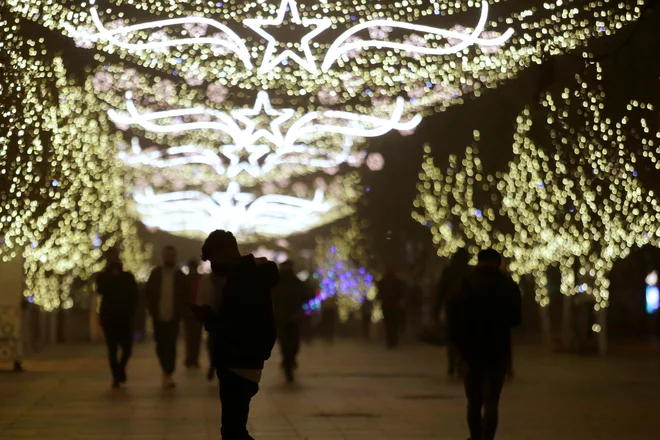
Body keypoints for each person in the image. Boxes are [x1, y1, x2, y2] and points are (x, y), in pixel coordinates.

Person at [191, 230, 279, 440]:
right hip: (243, 357)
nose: (213, 266)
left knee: (233, 430)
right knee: (234, 429)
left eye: (214, 259)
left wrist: (210, 318)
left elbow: (238, 321)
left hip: (239, 358)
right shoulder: (246, 275)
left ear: (227, 252)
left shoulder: (244, 279)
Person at [448, 248, 521, 440]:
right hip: (497, 349)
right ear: (498, 262)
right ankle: (488, 437)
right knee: (491, 401)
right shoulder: (507, 284)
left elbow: (452, 316)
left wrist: (457, 343)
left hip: (470, 349)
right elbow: (516, 318)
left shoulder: (465, 283)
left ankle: (475, 436)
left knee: (473, 400)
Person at [95, 247, 139, 388]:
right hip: (109, 317)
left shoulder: (127, 276)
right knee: (112, 348)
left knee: (127, 348)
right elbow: (100, 290)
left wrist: (131, 311)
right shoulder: (102, 276)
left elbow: (134, 295)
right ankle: (116, 375)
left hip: (124, 317)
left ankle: (120, 369)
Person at [146, 245, 187, 388]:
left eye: (171, 255)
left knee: (171, 345)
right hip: (158, 316)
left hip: (173, 317)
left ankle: (168, 372)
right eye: (167, 255)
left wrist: (181, 312)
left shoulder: (180, 276)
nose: (169, 257)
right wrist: (152, 310)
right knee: (160, 346)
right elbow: (149, 293)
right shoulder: (156, 274)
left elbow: (185, 296)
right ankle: (166, 370)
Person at [436, 248, 471, 376]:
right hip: (467, 311)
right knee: (465, 339)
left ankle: (452, 363)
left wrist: (437, 310)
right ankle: (462, 362)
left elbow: (440, 291)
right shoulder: (470, 271)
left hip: (452, 309)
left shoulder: (448, 271)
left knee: (452, 338)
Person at [272, 260, 308, 382]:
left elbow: (305, 297)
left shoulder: (297, 283)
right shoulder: (276, 283)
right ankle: (287, 361)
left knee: (293, 343)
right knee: (285, 342)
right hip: (281, 318)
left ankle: (289, 359)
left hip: (294, 317)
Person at [376, 264, 405, 348]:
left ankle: (393, 340)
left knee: (393, 323)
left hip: (393, 305)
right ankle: (391, 340)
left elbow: (401, 293)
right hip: (388, 305)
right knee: (389, 323)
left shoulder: (395, 282)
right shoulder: (385, 281)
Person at [183, 259, 204, 368]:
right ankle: (192, 358)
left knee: (192, 337)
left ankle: (192, 358)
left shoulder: (189, 279)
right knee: (193, 337)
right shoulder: (198, 279)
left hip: (194, 311)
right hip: (193, 311)